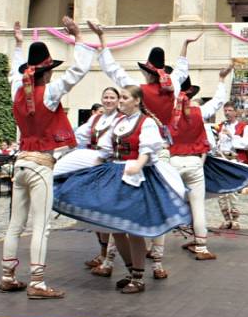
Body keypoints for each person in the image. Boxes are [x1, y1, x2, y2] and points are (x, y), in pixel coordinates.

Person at [53, 85, 190, 294]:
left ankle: (138, 277)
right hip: (115, 172)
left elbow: (148, 149)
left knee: (133, 229)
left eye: (125, 98)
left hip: (137, 178)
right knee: (115, 229)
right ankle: (130, 271)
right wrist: (91, 169)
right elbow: (106, 149)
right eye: (121, 98)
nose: (121, 101)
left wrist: (139, 163)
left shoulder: (147, 123)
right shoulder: (118, 121)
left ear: (137, 101)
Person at [0, 18, 97, 299]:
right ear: (47, 72)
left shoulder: (18, 88)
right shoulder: (49, 93)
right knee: (41, 225)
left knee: (15, 224)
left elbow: (14, 73)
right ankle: (38, 281)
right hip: (41, 162)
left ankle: (7, 275)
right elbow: (77, 71)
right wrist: (78, 38)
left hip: (20, 162)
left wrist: (19, 44)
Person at [98, 35, 198, 278]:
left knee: (123, 211)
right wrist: (184, 46)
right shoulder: (172, 85)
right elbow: (182, 70)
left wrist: (103, 41)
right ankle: (157, 264)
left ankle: (109, 261)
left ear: (146, 72)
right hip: (162, 151)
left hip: (140, 151)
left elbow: (113, 70)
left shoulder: (138, 90)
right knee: (157, 208)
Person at [170, 68, 233, 260]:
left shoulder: (167, 114)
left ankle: (155, 251)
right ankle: (201, 247)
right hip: (195, 163)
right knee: (198, 206)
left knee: (165, 204)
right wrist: (221, 78)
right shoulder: (199, 112)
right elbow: (219, 101)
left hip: (172, 162)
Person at [75, 86, 121, 274]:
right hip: (96, 169)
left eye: (112, 97)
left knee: (111, 216)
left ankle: (109, 260)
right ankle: (103, 253)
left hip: (114, 169)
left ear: (118, 100)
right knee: (97, 214)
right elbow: (78, 136)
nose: (108, 100)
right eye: (106, 97)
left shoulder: (123, 119)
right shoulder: (95, 119)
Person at [215, 102, 248, 229]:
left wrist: (232, 136)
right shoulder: (220, 126)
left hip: (234, 160)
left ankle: (235, 220)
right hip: (221, 159)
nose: (227, 113)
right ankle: (226, 219)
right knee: (221, 192)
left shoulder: (243, 127)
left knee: (233, 191)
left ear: (236, 112)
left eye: (230, 110)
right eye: (225, 110)